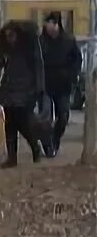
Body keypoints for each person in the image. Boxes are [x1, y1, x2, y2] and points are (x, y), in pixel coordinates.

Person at [0, 20, 44, 168]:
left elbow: (38, 68)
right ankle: (13, 157)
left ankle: (34, 148)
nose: (10, 39)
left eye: (12, 35)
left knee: (22, 123)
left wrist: (38, 89)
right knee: (10, 124)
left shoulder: (29, 49)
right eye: (7, 36)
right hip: (11, 90)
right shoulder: (9, 51)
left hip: (25, 90)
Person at [39, 11, 82, 157]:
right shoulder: (41, 42)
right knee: (45, 116)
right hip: (45, 84)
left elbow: (77, 59)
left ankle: (55, 138)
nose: (48, 28)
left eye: (51, 24)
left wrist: (72, 74)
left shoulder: (68, 41)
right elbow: (34, 61)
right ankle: (47, 144)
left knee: (63, 116)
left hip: (63, 85)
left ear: (57, 25)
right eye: (46, 25)